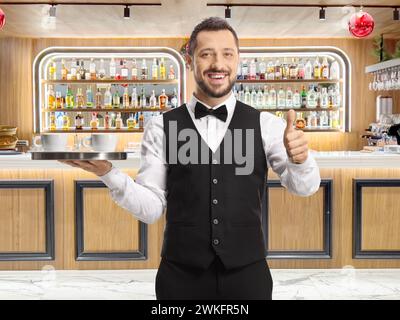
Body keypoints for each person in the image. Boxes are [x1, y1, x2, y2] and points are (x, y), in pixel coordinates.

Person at [61, 17, 320, 300]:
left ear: (238, 60)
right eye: (206, 54)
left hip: (248, 274)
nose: (218, 64)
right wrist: (108, 173)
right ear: (190, 60)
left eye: (227, 54)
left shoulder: (266, 124)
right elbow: (151, 208)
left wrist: (301, 160)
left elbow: (304, 188)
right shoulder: (161, 126)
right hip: (180, 277)